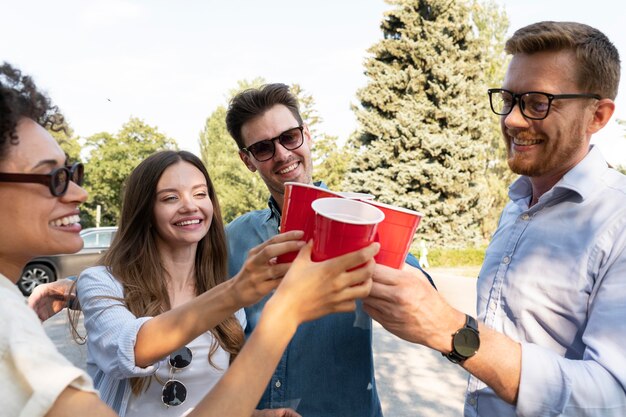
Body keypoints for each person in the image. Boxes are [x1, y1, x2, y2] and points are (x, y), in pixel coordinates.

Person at [1, 62, 379, 417]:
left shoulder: (226, 268)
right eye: (170, 197)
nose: (190, 208)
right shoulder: (231, 263)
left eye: (201, 194)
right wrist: (277, 311)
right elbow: (130, 341)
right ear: (247, 159)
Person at [363, 21, 626, 417]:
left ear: (598, 115)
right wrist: (421, 300)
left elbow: (610, 399)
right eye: (507, 99)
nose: (511, 120)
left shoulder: (618, 222)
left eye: (538, 103)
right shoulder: (517, 205)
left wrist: (449, 329)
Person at [224, 83, 432, 417]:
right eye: (263, 148)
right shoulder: (231, 239)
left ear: (307, 135)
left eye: (289, 137)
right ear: (247, 160)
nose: (282, 154)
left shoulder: (364, 219)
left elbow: (423, 297)